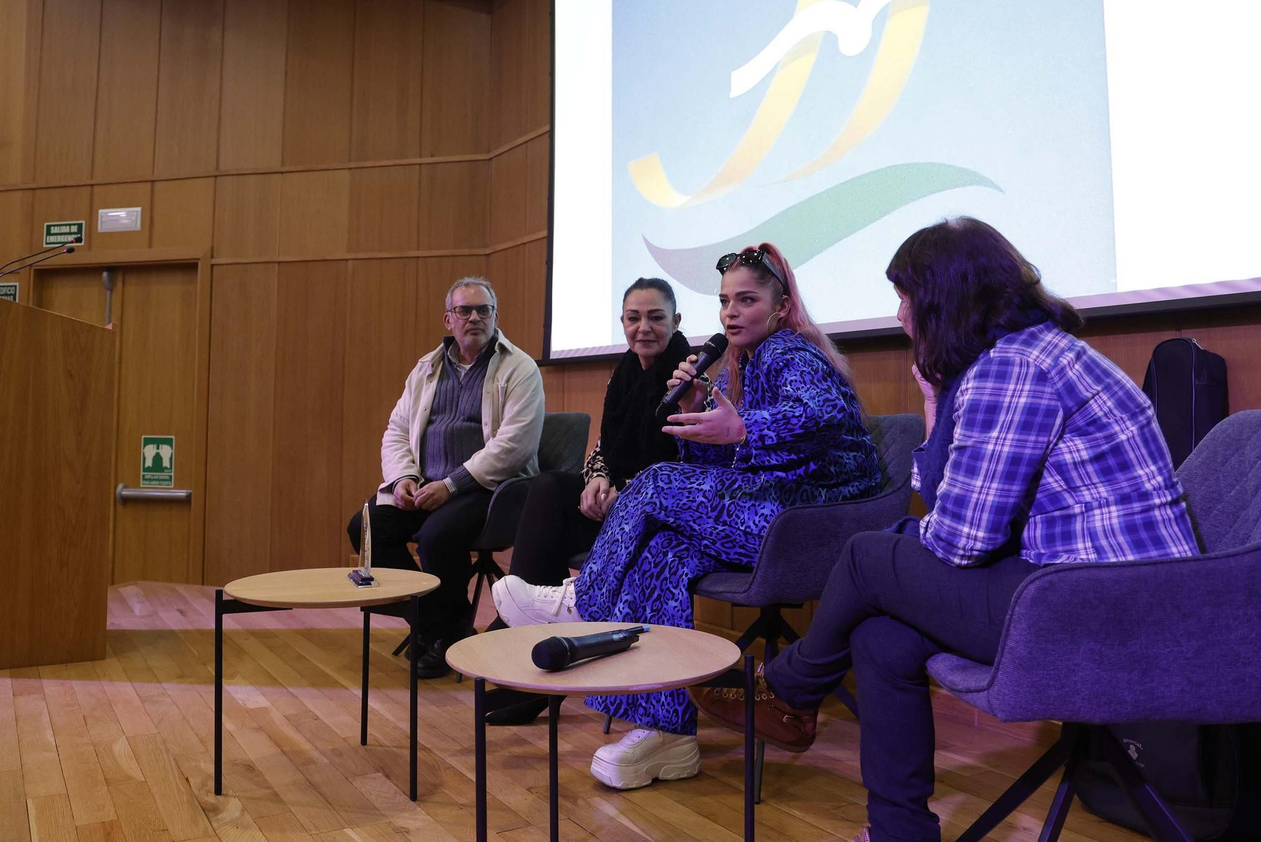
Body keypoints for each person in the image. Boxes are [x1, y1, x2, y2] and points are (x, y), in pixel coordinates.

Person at [694, 218, 1201, 842]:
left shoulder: (1011, 369)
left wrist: (912, 530)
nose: (901, 315)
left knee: (864, 555)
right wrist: (936, 400)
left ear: (944, 299)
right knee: (881, 634)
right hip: (1094, 591)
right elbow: (946, 506)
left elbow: (962, 539)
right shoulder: (1030, 353)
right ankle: (898, 829)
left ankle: (790, 689)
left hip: (1101, 608)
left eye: (907, 298)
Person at [492, 243, 882, 790]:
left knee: (654, 482)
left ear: (781, 306)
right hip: (767, 510)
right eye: (725, 301)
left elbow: (822, 412)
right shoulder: (736, 366)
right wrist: (696, 412)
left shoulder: (793, 352)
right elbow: (720, 459)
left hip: (813, 523)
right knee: (663, 556)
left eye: (747, 300)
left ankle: (585, 601)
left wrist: (741, 426)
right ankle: (668, 735)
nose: (730, 313)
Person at [486, 276, 691, 726]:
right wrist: (596, 480)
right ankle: (532, 635)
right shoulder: (623, 373)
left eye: (656, 317)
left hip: (656, 517)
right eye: (634, 318)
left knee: (555, 513)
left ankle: (523, 650)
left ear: (676, 321)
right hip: (613, 505)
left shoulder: (689, 375)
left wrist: (625, 492)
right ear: (622, 322)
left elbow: (682, 460)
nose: (644, 328)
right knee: (548, 489)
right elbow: (605, 445)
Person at [346, 277, 545, 679]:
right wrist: (403, 477)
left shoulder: (519, 368)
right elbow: (397, 430)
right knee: (366, 526)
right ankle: (436, 623)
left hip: (489, 490)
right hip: (425, 486)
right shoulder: (427, 369)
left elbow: (513, 446)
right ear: (448, 319)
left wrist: (451, 485)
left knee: (438, 536)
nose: (475, 317)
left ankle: (442, 636)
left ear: (495, 317)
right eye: (464, 310)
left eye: (483, 310)